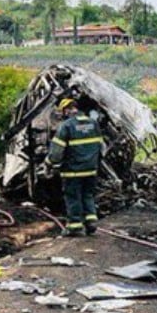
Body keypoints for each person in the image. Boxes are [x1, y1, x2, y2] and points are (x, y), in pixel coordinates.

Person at [47, 97, 104, 236]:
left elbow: (56, 151)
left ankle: (75, 227)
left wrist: (49, 163)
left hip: (73, 171)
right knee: (88, 195)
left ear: (66, 110)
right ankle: (91, 222)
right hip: (91, 169)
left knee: (73, 197)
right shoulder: (93, 123)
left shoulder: (66, 126)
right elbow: (101, 147)